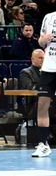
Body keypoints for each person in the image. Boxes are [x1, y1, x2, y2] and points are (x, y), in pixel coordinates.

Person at [31, 9, 56, 157]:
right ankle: (43, 144)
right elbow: (40, 42)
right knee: (42, 105)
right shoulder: (49, 17)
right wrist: (44, 39)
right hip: (48, 69)